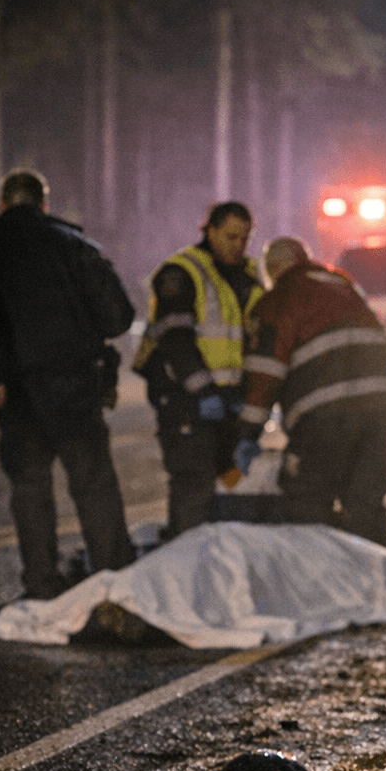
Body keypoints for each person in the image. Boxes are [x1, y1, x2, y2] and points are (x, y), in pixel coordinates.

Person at [0, 169, 137, 599]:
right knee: (93, 484)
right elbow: (118, 316)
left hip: (16, 392)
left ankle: (42, 583)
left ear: (3, 204)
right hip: (75, 386)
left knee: (29, 489)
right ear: (44, 204)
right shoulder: (76, 246)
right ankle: (113, 581)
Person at [236, 236, 386, 544]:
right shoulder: (345, 287)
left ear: (272, 270)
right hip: (382, 411)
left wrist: (246, 433)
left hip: (325, 419)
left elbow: (265, 375)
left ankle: (319, 581)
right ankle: (375, 582)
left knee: (306, 500)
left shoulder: (278, 301)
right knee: (365, 504)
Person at [133, 202, 264, 540]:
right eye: (231, 237)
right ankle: (186, 568)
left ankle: (214, 570)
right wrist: (205, 392)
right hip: (186, 400)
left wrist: (245, 402)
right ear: (210, 230)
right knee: (193, 487)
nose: (239, 245)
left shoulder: (247, 277)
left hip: (226, 400)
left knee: (228, 487)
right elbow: (176, 341)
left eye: (245, 238)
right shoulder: (181, 273)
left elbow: (253, 342)